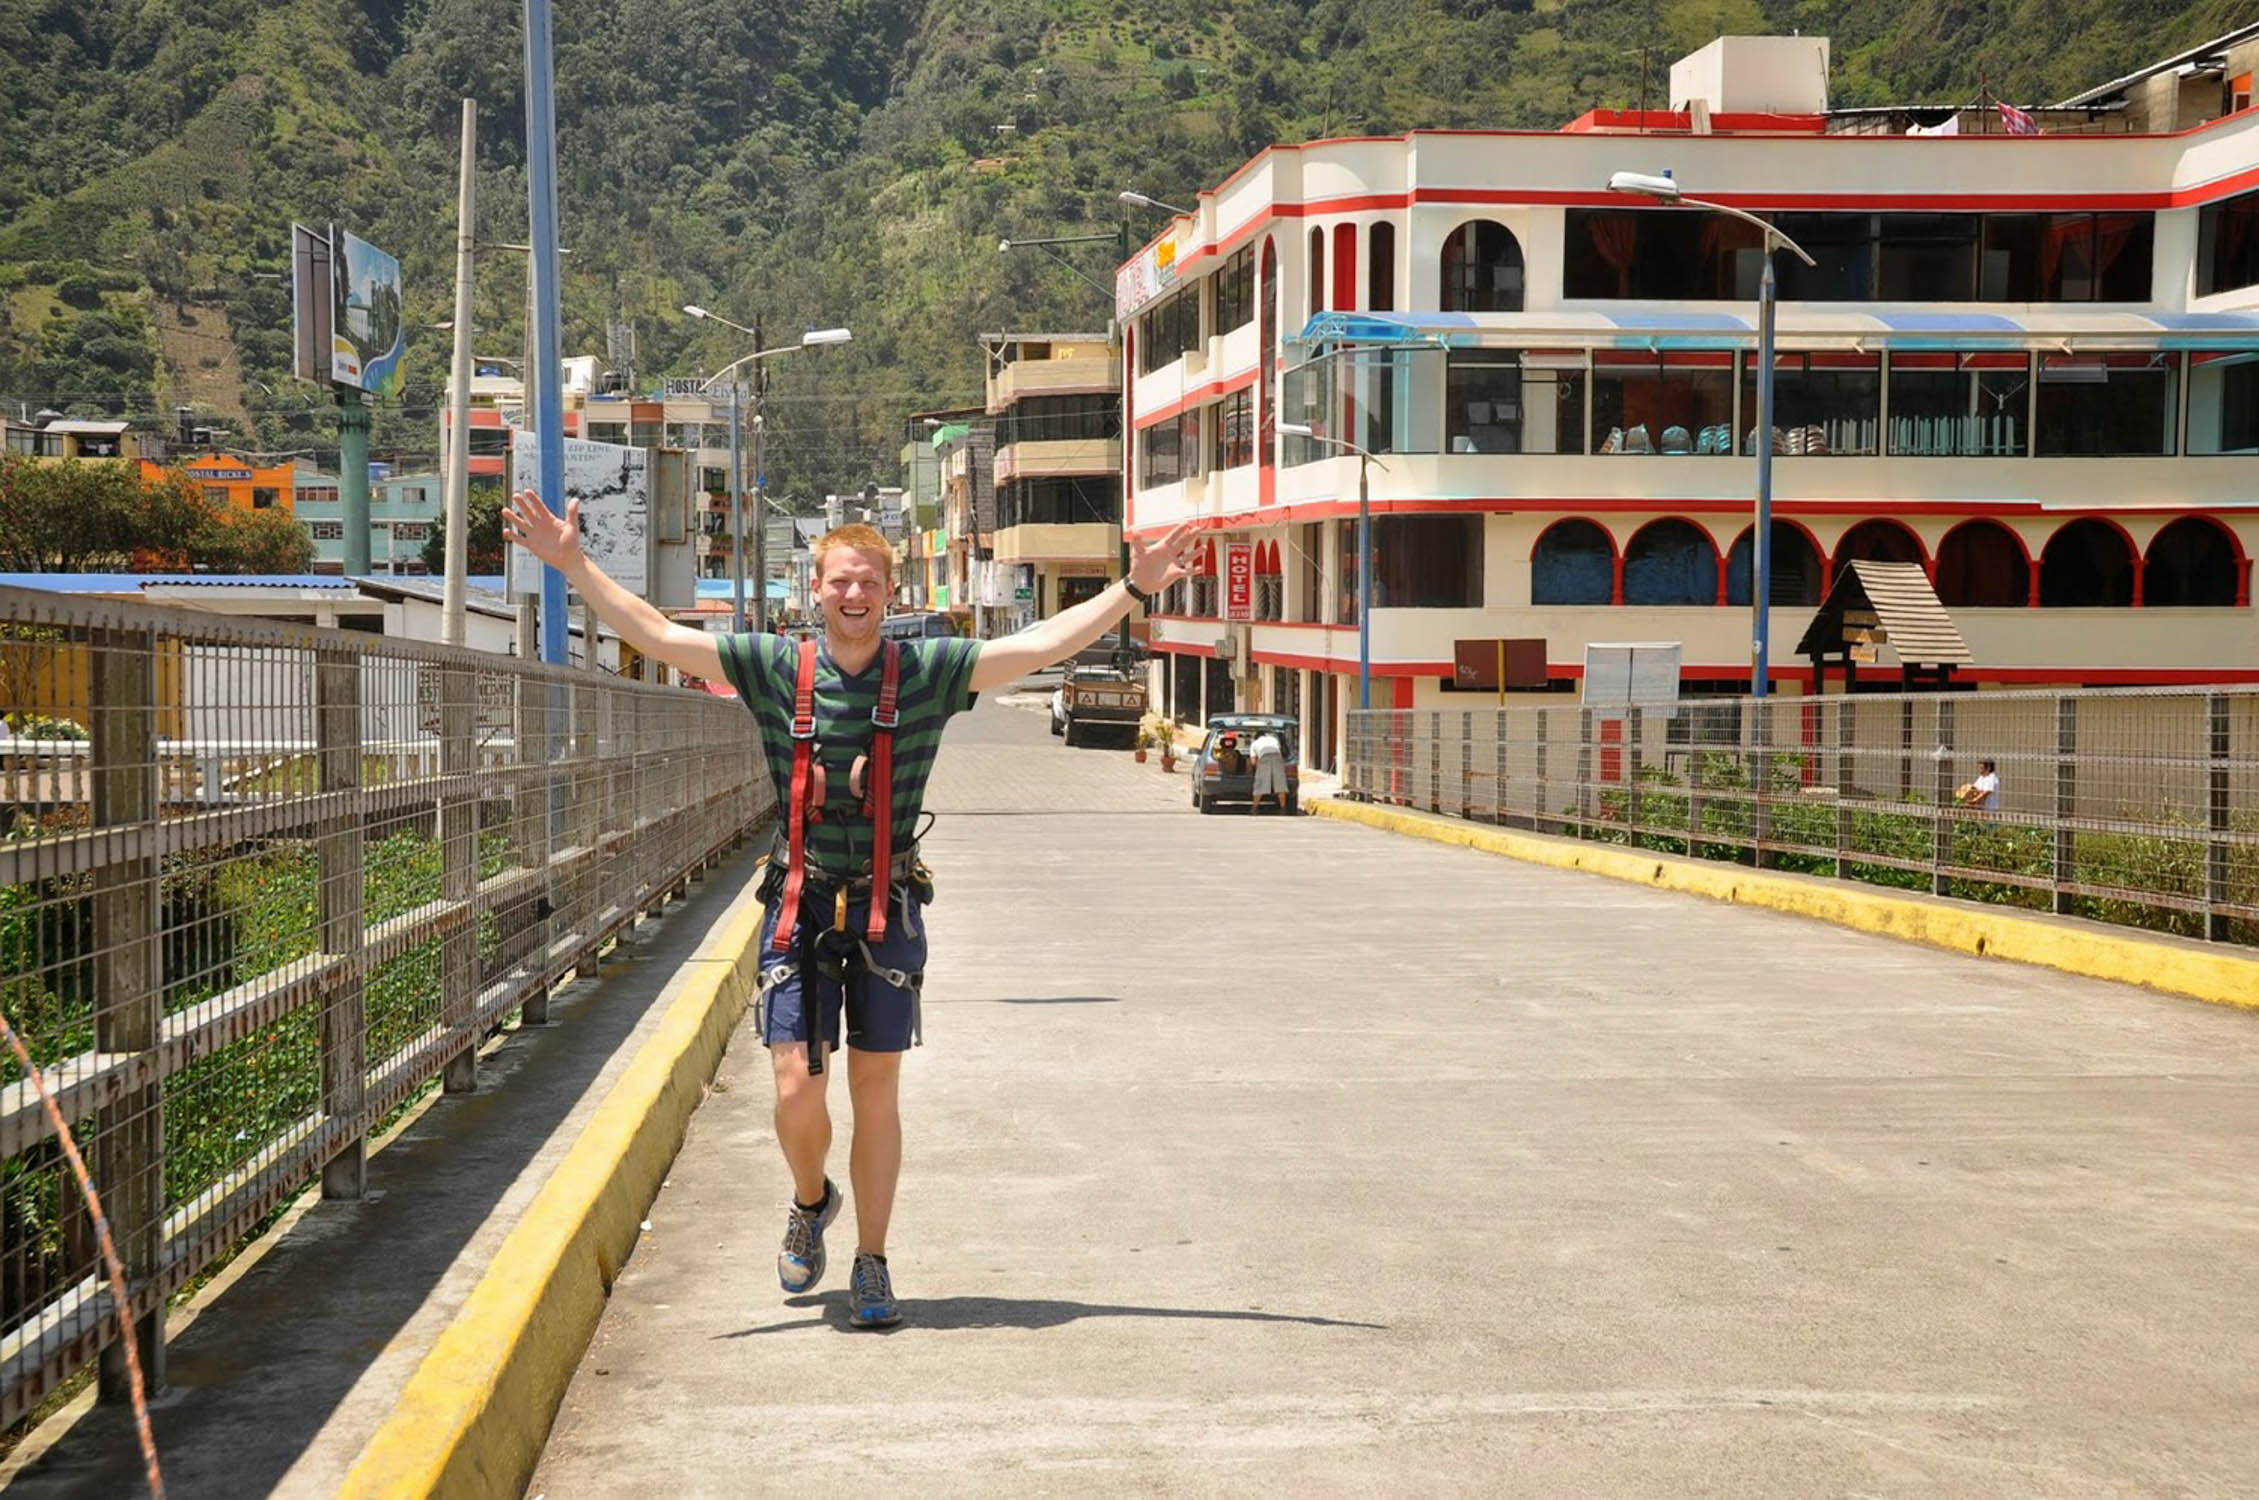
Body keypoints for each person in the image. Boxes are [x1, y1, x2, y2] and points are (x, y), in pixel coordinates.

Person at [503, 491, 1194, 1328]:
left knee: (875, 1091)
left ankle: (872, 1260)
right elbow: (657, 635)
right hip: (799, 902)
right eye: (838, 581)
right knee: (796, 1086)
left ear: (891, 594)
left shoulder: (929, 673)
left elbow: (1039, 642)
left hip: (885, 907)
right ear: (817, 589)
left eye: (867, 581)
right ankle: (809, 1199)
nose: (853, 594)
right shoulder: (771, 666)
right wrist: (574, 564)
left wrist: (1134, 589)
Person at [1249, 728, 1288, 813]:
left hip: (1264, 758)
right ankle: (1283, 809)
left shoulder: (1254, 743)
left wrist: (1256, 770)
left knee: (1260, 784)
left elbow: (1253, 762)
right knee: (1280, 784)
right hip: (1277, 757)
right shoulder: (1273, 739)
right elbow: (1279, 751)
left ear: (1256, 737)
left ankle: (1254, 809)